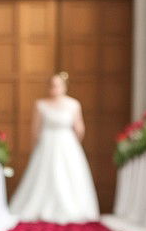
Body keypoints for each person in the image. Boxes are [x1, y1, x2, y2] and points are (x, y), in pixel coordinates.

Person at [10, 73, 99, 223]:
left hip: (67, 145)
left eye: (57, 85)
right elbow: (35, 130)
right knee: (44, 176)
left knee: (69, 177)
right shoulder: (40, 104)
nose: (54, 88)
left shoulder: (73, 104)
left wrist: (72, 145)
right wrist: (35, 149)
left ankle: (72, 209)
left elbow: (79, 128)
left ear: (64, 87)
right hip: (46, 145)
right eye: (52, 85)